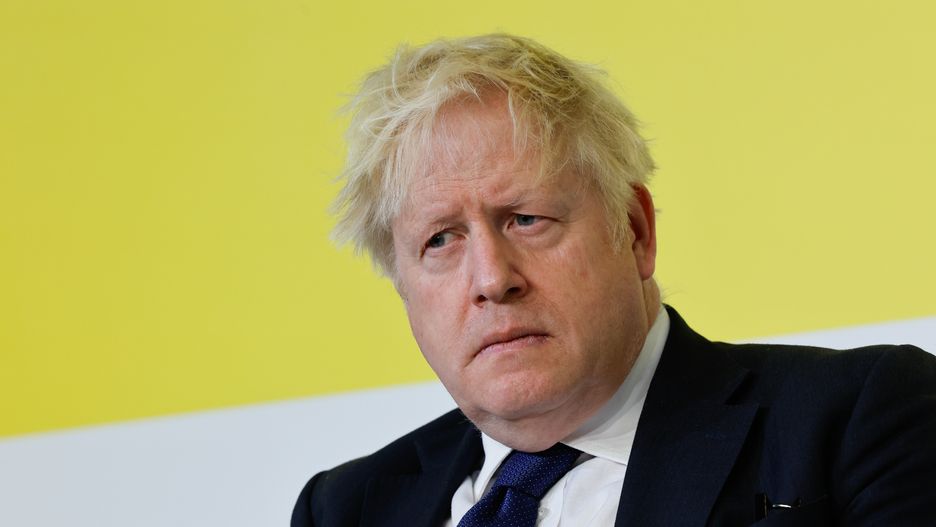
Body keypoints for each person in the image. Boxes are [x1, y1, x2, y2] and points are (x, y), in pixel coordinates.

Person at [292, 34, 936, 526]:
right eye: (440, 240)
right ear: (403, 286)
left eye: (525, 219)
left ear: (635, 230)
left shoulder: (859, 419)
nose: (491, 278)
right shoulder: (346, 508)